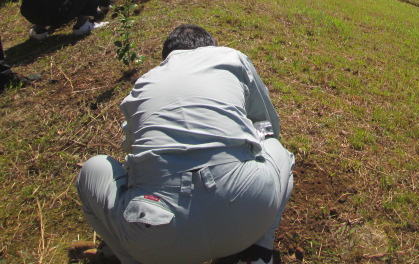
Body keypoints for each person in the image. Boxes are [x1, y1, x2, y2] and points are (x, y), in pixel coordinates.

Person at [76, 24, 294, 264]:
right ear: (211, 46)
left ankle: (131, 258)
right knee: (274, 145)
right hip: (250, 216)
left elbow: (130, 151)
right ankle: (259, 252)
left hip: (157, 237)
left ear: (166, 57)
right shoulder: (230, 57)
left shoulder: (143, 84)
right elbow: (264, 121)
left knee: (93, 168)